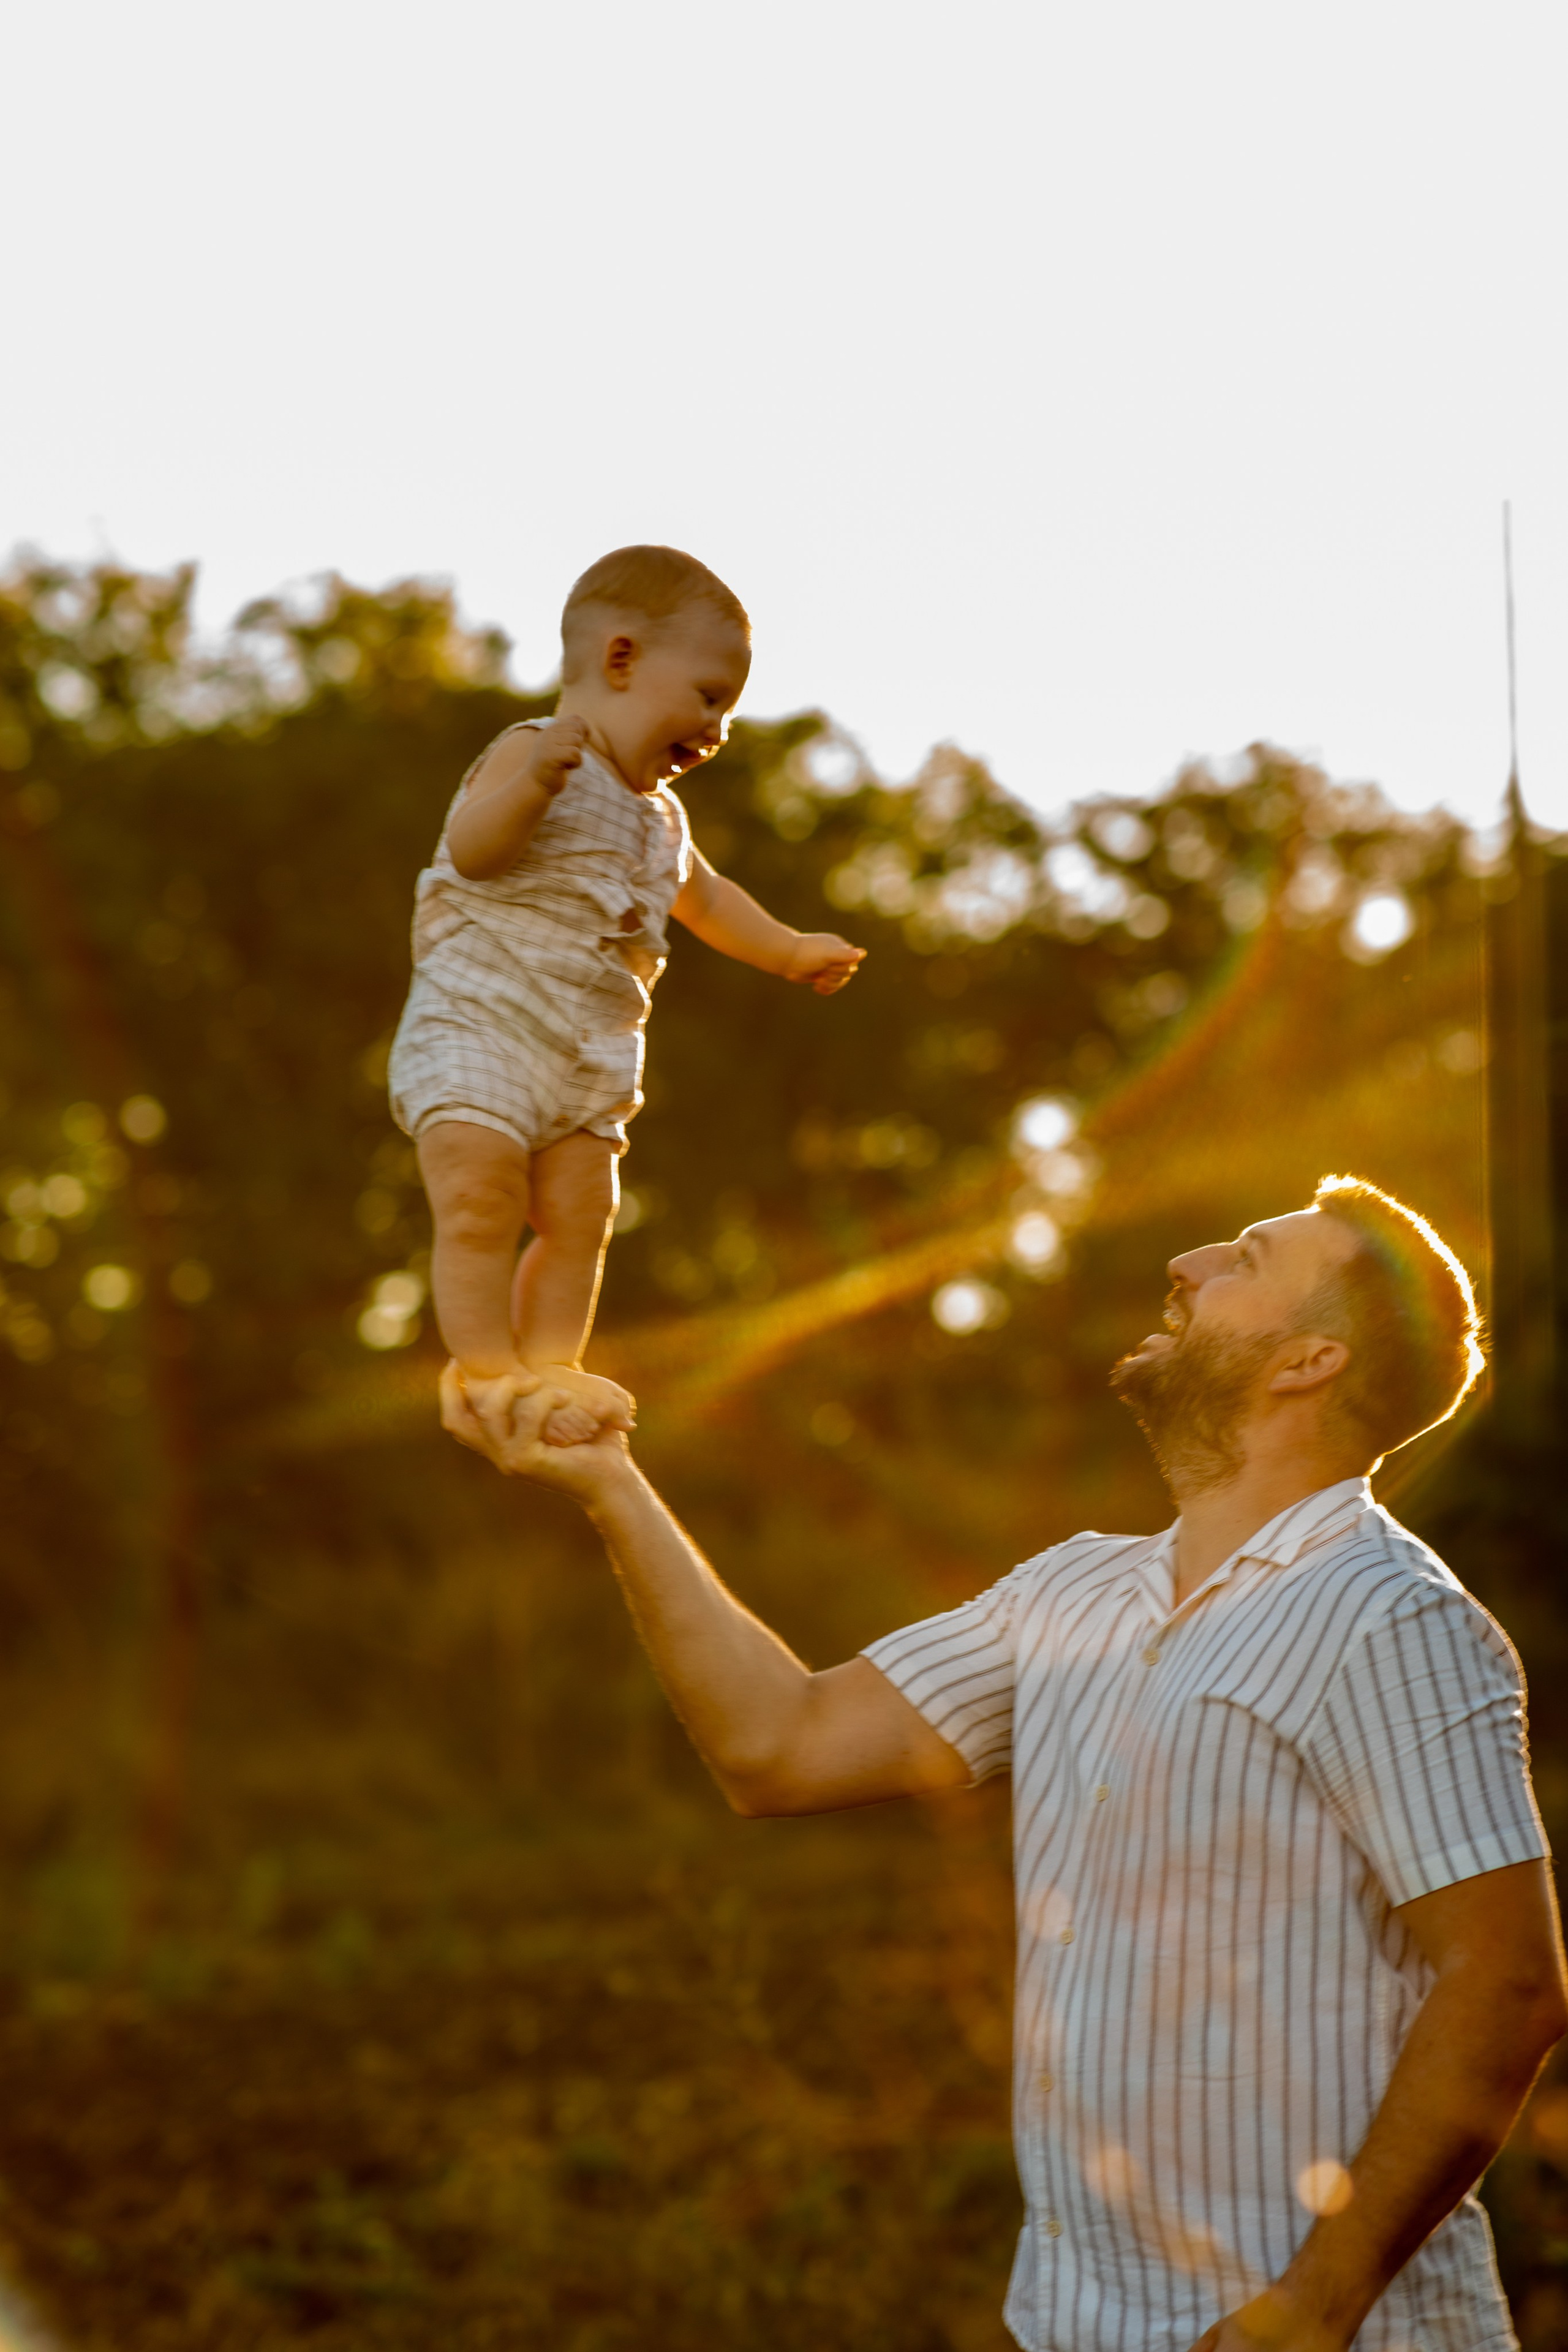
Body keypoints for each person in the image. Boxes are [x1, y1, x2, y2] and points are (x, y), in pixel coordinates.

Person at [442, 1170, 1566, 2349]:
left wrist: (1308, 2311)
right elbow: (782, 1747)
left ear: (1308, 1362)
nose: (1186, 1265)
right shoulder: (1073, 1591)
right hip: (1078, 2324)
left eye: (1243, 1259)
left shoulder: (1391, 1617)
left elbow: (1505, 1987)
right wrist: (611, 1482)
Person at [388, 545, 865, 1446]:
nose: (719, 729)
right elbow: (471, 852)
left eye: (729, 709)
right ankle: (488, 1371)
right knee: (481, 1199)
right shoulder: (532, 751)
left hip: (588, 1057)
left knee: (583, 1217)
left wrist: (790, 949)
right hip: (481, 1028)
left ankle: (552, 1368)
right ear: (621, 659)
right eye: (710, 696)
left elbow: (709, 902)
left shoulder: (663, 820)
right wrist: (535, 787)